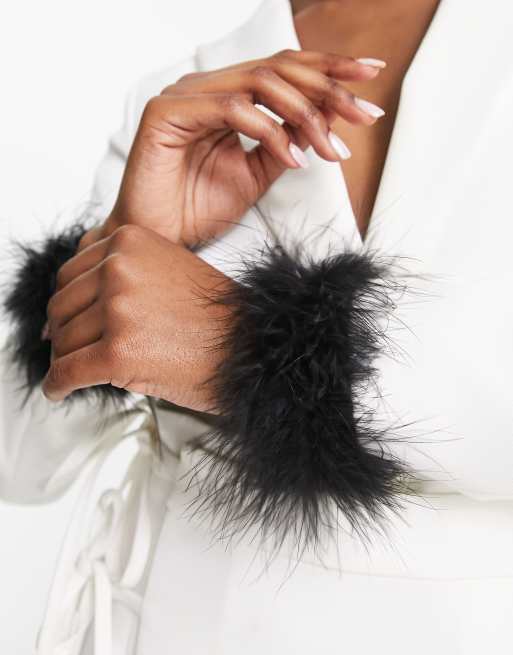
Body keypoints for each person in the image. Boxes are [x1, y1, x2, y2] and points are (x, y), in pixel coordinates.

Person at [2, 0, 513, 653]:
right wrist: (123, 244)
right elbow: (19, 465)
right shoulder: (186, 89)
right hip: (161, 621)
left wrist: (242, 348)